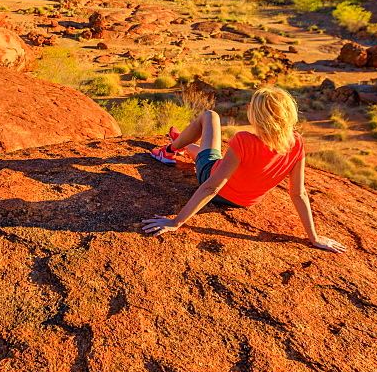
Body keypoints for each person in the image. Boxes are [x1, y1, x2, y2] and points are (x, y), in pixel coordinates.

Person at [141, 86, 347, 253]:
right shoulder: (297, 142)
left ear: (256, 114)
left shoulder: (244, 140)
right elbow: (298, 193)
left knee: (210, 117)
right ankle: (183, 143)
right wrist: (314, 237)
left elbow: (211, 187)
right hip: (245, 201)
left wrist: (177, 221)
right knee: (210, 155)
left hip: (215, 185)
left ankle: (169, 150)